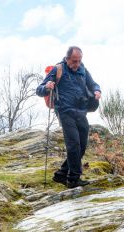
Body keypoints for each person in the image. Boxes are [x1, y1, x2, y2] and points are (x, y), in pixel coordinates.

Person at [36, 46, 101, 189]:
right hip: (65, 111)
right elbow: (39, 90)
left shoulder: (83, 69)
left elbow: (93, 84)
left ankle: (61, 174)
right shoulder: (58, 69)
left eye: (79, 61)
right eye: (74, 61)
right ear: (67, 59)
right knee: (74, 145)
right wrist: (47, 86)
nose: (77, 64)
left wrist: (97, 90)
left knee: (82, 146)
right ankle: (73, 179)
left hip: (81, 111)